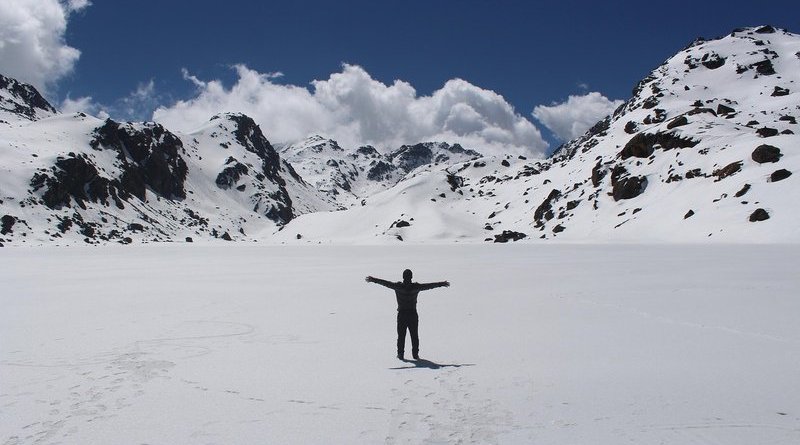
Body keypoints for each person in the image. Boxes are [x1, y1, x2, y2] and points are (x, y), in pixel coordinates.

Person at [365, 269, 450, 360]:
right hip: (413, 314)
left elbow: (386, 283)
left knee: (401, 335)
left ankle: (400, 354)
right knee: (414, 335)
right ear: (411, 277)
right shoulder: (416, 287)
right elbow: (429, 286)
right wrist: (442, 283)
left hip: (402, 315)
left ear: (403, 277)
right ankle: (415, 354)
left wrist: (373, 280)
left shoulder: (398, 286)